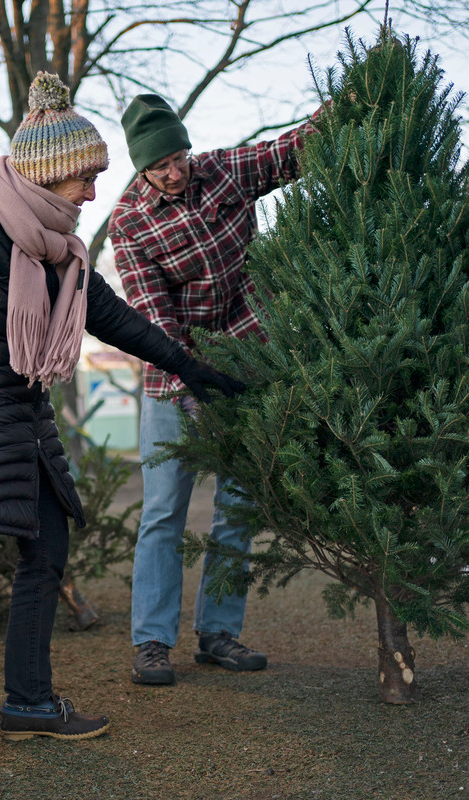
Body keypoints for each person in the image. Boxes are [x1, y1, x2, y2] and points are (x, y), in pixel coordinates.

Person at [0, 72, 246, 775]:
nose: (93, 192)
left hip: (25, 429)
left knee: (47, 558)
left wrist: (188, 366)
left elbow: (112, 316)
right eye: (84, 178)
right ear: (49, 174)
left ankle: (29, 701)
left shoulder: (59, 249)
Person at [108, 92, 319, 686]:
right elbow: (153, 314)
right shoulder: (129, 221)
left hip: (251, 352)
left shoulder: (222, 171)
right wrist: (196, 374)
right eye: (161, 165)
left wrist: (346, 106)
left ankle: (218, 632)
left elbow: (289, 151)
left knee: (239, 507)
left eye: (179, 156)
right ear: (140, 168)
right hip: (175, 373)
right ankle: (152, 641)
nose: (176, 171)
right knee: (163, 512)